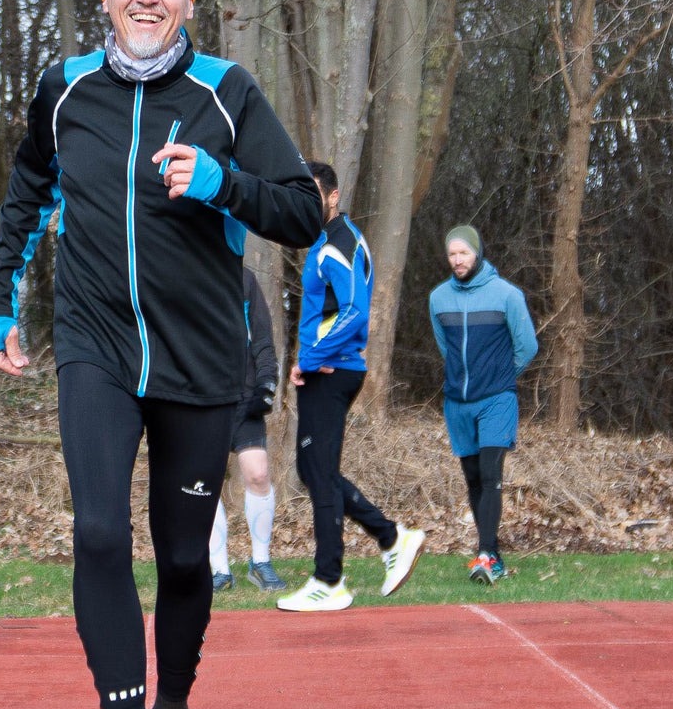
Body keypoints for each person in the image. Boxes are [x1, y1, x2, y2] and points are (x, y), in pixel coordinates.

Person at [0, 0, 322, 709]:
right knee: (96, 530)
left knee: (180, 558)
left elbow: (299, 211)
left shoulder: (227, 93)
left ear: (188, 3)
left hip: (199, 360)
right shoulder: (66, 90)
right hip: (96, 348)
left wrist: (220, 181)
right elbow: (26, 186)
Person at [276, 161, 426, 612]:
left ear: (334, 196)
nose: (306, 202)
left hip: (333, 369)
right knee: (312, 470)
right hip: (328, 366)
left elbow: (355, 312)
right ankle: (391, 536)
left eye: (312, 193)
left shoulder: (336, 245)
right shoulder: (329, 242)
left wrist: (313, 358)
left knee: (318, 473)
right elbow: (325, 312)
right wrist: (304, 360)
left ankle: (330, 580)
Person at [429, 224, 538, 584]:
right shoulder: (438, 299)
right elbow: (445, 348)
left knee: (491, 475)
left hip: (497, 399)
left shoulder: (507, 295)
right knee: (474, 478)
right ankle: (492, 553)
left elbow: (527, 346)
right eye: (452, 254)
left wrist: (500, 375)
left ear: (477, 252)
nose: (458, 260)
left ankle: (486, 555)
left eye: (464, 253)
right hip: (457, 402)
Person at [208, 266, 286, 593]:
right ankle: (219, 571)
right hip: (203, 397)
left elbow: (264, 337)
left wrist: (267, 380)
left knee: (257, 474)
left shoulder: (246, 278)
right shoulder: (185, 271)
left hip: (244, 394)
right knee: (205, 484)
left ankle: (261, 562)